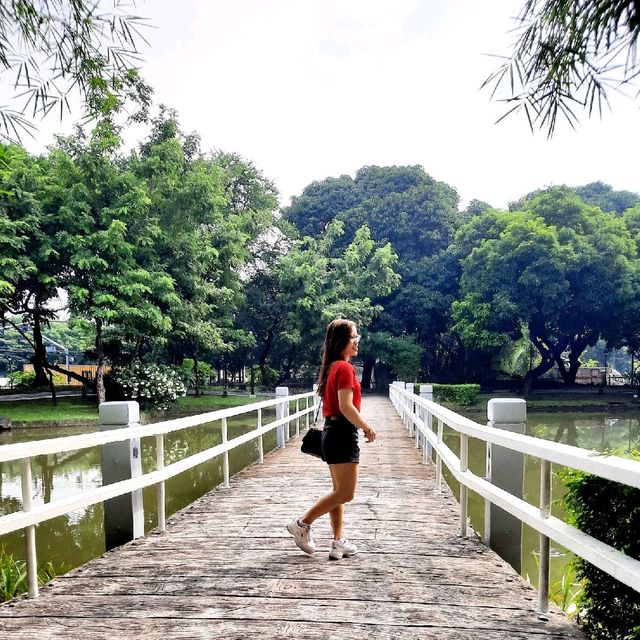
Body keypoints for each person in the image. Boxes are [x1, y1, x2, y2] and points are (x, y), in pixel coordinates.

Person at [287, 318, 377, 560]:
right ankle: (302, 523)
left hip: (331, 432)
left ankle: (338, 542)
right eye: (353, 337)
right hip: (342, 434)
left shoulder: (333, 367)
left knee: (338, 491)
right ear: (341, 341)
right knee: (346, 493)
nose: (357, 341)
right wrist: (367, 428)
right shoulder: (345, 368)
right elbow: (346, 407)